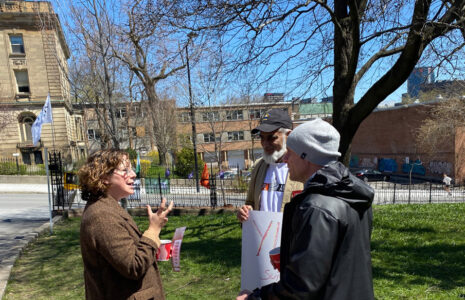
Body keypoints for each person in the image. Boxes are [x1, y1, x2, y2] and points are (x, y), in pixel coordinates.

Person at [238, 119, 375, 300]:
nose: (285, 159)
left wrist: (255, 297)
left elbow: (300, 287)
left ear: (305, 156)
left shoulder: (316, 208)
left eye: (290, 153)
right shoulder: (353, 195)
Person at [79, 149, 173, 300]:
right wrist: (153, 230)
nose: (133, 174)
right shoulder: (101, 216)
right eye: (125, 170)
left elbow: (125, 254)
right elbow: (134, 266)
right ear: (104, 177)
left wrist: (153, 246)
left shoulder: (108, 208)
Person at [236, 108, 303, 222]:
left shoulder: (303, 167)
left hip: (290, 238)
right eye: (262, 137)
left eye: (272, 137)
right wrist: (245, 211)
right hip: (262, 237)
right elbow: (250, 202)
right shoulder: (259, 166)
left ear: (288, 135)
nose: (265, 144)